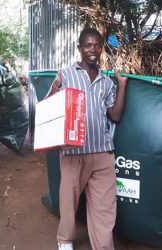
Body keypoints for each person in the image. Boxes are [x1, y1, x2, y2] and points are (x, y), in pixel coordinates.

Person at [48, 28, 128, 250]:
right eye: (87, 45)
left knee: (104, 208)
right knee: (68, 201)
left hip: (102, 153)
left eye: (97, 45)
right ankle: (64, 241)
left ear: (101, 48)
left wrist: (122, 86)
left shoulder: (107, 81)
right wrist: (54, 90)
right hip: (74, 152)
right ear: (79, 48)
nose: (93, 50)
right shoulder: (65, 75)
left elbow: (116, 116)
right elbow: (49, 108)